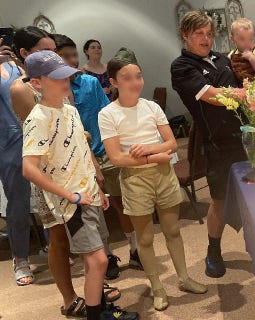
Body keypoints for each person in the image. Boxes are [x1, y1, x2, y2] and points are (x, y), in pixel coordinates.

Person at [12, 27, 122, 315]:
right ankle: (90, 308)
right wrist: (68, 195)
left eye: (65, 73)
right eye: (57, 76)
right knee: (93, 257)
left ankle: (97, 302)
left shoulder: (68, 109)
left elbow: (80, 145)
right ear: (36, 82)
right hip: (67, 196)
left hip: (87, 189)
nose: (66, 79)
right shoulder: (36, 114)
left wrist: (97, 179)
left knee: (98, 255)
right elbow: (31, 165)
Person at [99, 47, 207, 311]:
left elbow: (170, 143)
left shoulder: (152, 106)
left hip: (164, 176)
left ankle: (183, 278)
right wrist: (154, 158)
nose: (135, 82)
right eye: (127, 78)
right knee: (145, 238)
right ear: (113, 82)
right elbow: (117, 158)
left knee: (172, 230)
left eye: (138, 76)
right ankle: (157, 287)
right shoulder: (108, 114)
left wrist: (149, 150)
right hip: (136, 182)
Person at [53, 34, 142, 278]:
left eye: (74, 55)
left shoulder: (90, 83)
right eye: (65, 56)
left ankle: (134, 250)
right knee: (93, 212)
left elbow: (107, 114)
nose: (71, 61)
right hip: (77, 162)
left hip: (105, 152)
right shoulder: (54, 92)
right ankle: (108, 254)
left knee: (121, 201)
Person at [170, 10, 246, 279]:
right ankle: (213, 251)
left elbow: (238, 85)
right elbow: (212, 96)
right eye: (198, 34)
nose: (205, 39)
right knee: (220, 202)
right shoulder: (181, 67)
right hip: (216, 144)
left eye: (209, 34)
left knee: (254, 195)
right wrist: (246, 95)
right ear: (185, 36)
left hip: (244, 137)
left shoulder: (222, 59)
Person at [1, 29, 34, 286]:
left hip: (34, 134)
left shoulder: (19, 66)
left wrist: (20, 64)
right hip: (7, 142)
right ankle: (20, 257)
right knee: (18, 201)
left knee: (47, 194)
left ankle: (54, 244)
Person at [227, 17, 255, 84]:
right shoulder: (231, 55)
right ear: (232, 39)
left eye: (251, 39)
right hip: (240, 88)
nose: (247, 43)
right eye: (242, 39)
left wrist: (252, 58)